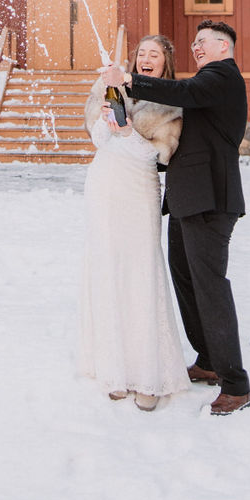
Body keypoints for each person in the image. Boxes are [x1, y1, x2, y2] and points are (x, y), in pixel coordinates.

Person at [102, 20, 250, 416]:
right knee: (185, 278)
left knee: (209, 285)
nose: (197, 48)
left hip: (210, 200)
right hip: (188, 199)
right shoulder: (208, 85)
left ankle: (236, 384)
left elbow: (185, 91)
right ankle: (207, 358)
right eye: (195, 43)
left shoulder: (223, 77)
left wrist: (131, 79)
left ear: (224, 46)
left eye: (203, 42)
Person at [79, 35, 188, 412]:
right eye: (141, 53)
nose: (146, 59)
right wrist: (110, 115)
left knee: (141, 271)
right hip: (105, 184)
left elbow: (161, 154)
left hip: (139, 187)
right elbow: (96, 136)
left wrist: (128, 134)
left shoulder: (171, 101)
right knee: (109, 266)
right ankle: (115, 369)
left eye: (154, 55)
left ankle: (148, 374)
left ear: (164, 63)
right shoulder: (111, 83)